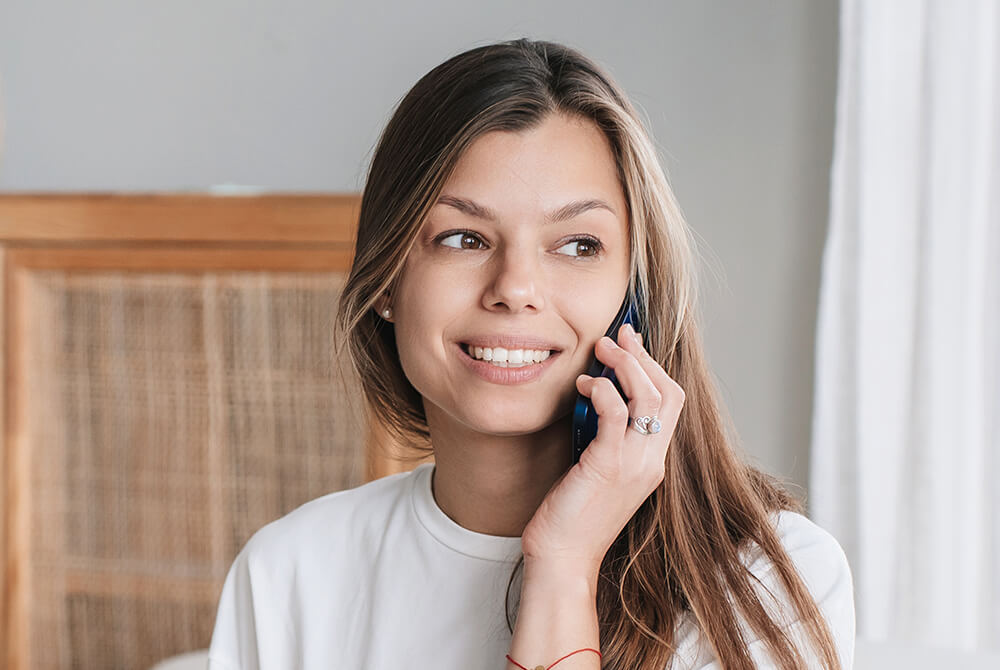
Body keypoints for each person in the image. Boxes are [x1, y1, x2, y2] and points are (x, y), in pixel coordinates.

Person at [207, 38, 855, 670]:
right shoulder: (287, 574)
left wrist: (565, 567)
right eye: (463, 237)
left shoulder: (766, 583)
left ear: (635, 289)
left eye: (577, 245)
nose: (516, 288)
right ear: (387, 283)